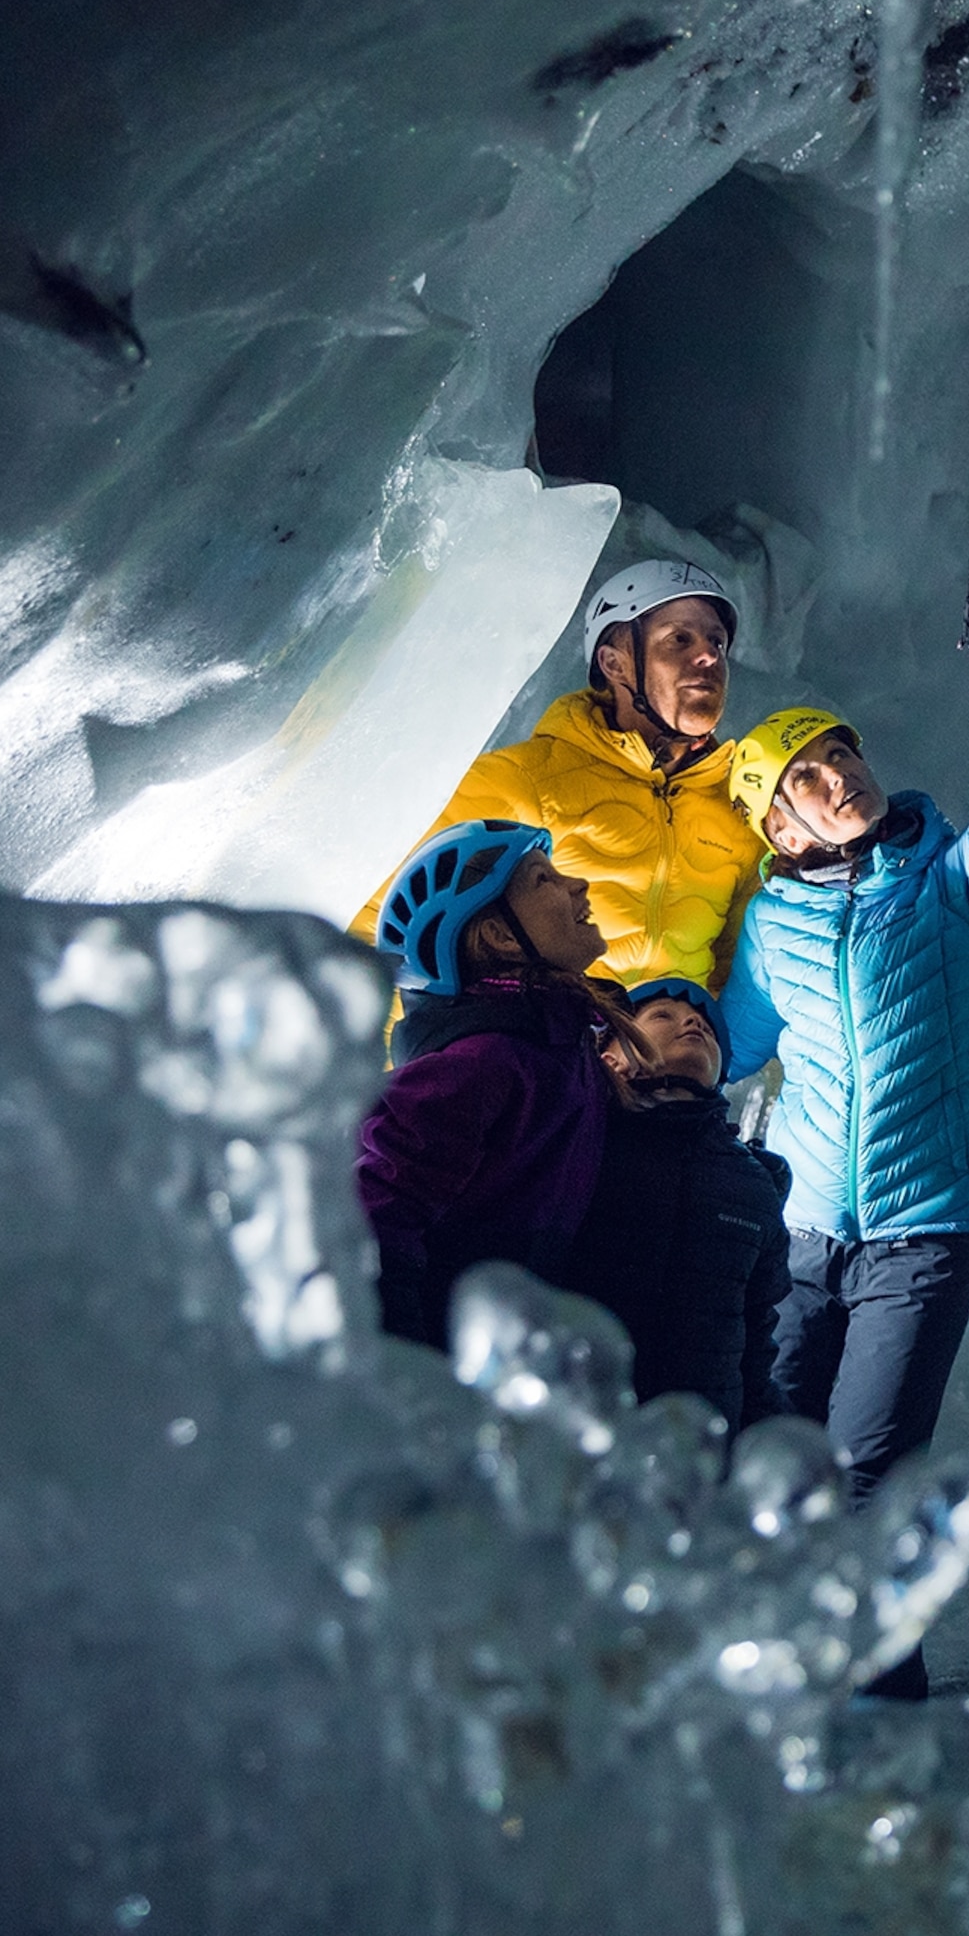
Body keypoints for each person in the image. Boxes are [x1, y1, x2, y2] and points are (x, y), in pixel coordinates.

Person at [720, 522, 969, 1694]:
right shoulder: (773, 927)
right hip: (803, 1239)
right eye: (807, 777)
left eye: (841, 752)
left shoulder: (955, 888)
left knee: (868, 1484)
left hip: (922, 1241)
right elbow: (725, 1047)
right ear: (781, 825)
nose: (839, 776)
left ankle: (890, 1743)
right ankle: (802, 1714)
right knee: (774, 1477)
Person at [354, 560, 772, 988]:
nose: (707, 656)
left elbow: (739, 974)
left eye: (717, 643)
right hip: (550, 1049)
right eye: (678, 639)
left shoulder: (740, 809)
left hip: (670, 1051)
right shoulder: (522, 782)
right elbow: (393, 928)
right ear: (615, 664)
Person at [355, 819, 640, 1350]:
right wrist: (409, 1370)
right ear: (501, 936)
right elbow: (374, 1220)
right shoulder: (479, 1065)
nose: (576, 886)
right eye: (542, 881)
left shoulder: (560, 1047)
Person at [551, 978, 796, 1430]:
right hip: (575, 1429)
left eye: (703, 1023)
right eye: (661, 1016)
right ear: (612, 1058)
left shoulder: (753, 1183)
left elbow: (756, 1341)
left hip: (696, 1449)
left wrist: (764, 1433)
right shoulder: (576, 1140)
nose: (690, 1022)